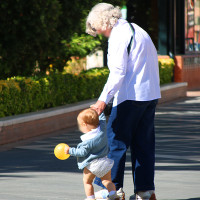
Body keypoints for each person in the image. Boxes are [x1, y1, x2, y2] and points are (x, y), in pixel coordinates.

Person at [86, 3, 161, 200]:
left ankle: (112, 189)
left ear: (103, 21)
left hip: (130, 96)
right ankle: (145, 191)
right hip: (149, 94)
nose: (100, 33)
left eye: (97, 28)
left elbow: (117, 72)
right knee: (143, 144)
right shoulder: (138, 30)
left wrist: (103, 100)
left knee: (116, 144)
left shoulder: (118, 36)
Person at [65, 108, 120, 200]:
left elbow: (81, 152)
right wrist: (98, 110)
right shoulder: (102, 130)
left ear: (84, 124)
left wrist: (69, 150)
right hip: (104, 162)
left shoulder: (87, 141)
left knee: (87, 182)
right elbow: (102, 119)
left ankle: (90, 197)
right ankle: (113, 194)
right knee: (107, 181)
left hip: (92, 165)